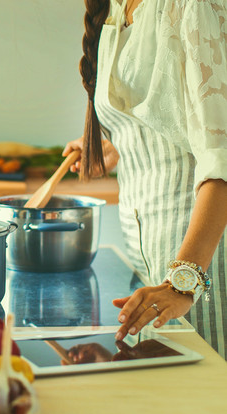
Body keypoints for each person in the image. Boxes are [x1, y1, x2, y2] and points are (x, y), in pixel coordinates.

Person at [62, 0, 227, 358]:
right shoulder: (116, 8)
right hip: (149, 254)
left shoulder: (192, 5)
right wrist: (119, 143)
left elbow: (222, 153)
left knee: (207, 397)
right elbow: (167, 114)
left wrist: (182, 284)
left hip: (202, 252)